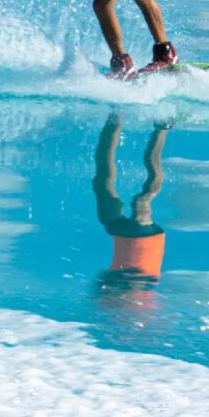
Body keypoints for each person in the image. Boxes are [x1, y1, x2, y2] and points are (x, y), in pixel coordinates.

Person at [91, 111, 168, 289]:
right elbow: (140, 286)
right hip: (145, 241)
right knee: (143, 199)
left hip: (119, 233)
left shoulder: (114, 307)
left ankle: (115, 118)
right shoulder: (142, 306)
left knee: (102, 180)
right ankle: (162, 127)